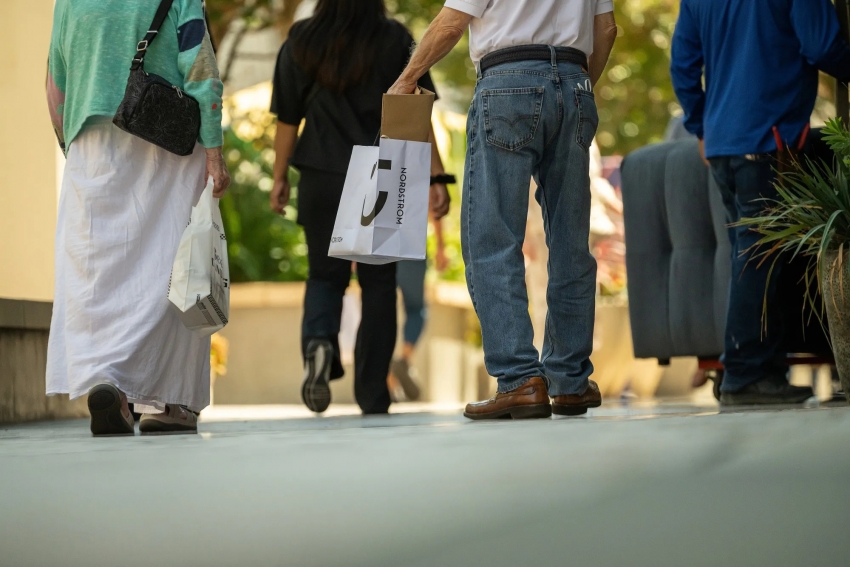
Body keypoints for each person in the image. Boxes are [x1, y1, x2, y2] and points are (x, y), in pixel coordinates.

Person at [389, 1, 618, 420]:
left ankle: (519, 379)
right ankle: (570, 381)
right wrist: (576, 87)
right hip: (575, 84)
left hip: (508, 83)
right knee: (570, 244)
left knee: (492, 239)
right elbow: (606, 31)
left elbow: (451, 23)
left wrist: (407, 79)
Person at [45, 0, 230, 436]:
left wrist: (73, 149)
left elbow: (56, 84)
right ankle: (174, 402)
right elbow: (200, 69)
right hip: (165, 137)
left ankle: (109, 381)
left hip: (89, 142)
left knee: (97, 268)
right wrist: (214, 151)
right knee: (173, 266)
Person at [269, 0, 450, 415]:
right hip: (381, 173)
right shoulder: (395, 39)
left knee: (324, 276)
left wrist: (280, 176)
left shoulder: (301, 40)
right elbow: (416, 111)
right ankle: (372, 392)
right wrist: (436, 176)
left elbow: (286, 119)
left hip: (321, 173)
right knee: (379, 284)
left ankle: (319, 342)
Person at [671, 0, 850, 405]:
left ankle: (759, 371)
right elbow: (822, 46)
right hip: (768, 139)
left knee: (750, 257)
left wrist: (701, 127)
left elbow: (683, 66)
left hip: (723, 144)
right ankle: (746, 374)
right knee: (757, 261)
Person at [390, 215, 449, 402]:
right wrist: (440, 246)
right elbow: (435, 206)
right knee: (416, 310)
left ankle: (388, 381)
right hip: (411, 244)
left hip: (381, 242)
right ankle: (403, 360)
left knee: (380, 308)